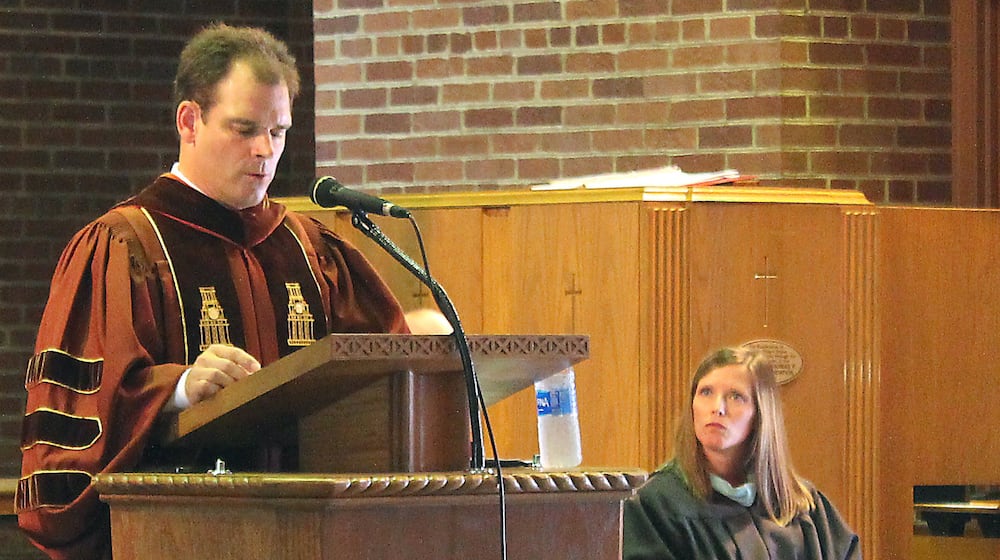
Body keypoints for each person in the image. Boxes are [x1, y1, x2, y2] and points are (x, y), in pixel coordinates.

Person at [16, 23, 444, 559]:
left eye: (279, 131)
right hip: (184, 540)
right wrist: (178, 390)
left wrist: (413, 354)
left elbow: (374, 388)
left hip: (318, 537)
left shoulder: (310, 249)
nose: (265, 151)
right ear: (189, 121)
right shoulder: (125, 246)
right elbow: (74, 420)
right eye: (244, 129)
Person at [623, 346, 861, 559]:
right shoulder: (656, 504)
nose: (717, 408)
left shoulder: (805, 506)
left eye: (736, 396)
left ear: (761, 414)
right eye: (706, 392)